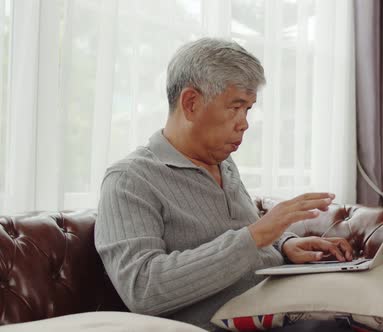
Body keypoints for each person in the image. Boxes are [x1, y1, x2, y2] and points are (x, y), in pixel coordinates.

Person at [94, 38, 355, 331]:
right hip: (237, 324)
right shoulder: (130, 180)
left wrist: (286, 244)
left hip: (283, 306)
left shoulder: (225, 164)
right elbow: (142, 288)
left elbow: (243, 232)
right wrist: (257, 235)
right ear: (191, 103)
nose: (244, 123)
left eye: (248, 109)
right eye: (236, 107)